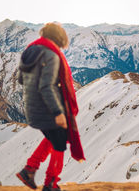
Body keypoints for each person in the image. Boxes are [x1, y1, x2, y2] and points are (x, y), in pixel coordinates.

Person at [16, 23, 85, 191]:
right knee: (60, 142)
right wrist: (58, 112)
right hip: (47, 109)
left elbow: (20, 79)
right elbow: (46, 87)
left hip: (31, 108)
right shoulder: (52, 55)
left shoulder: (30, 51)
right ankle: (51, 183)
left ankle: (30, 169)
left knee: (53, 137)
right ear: (60, 38)